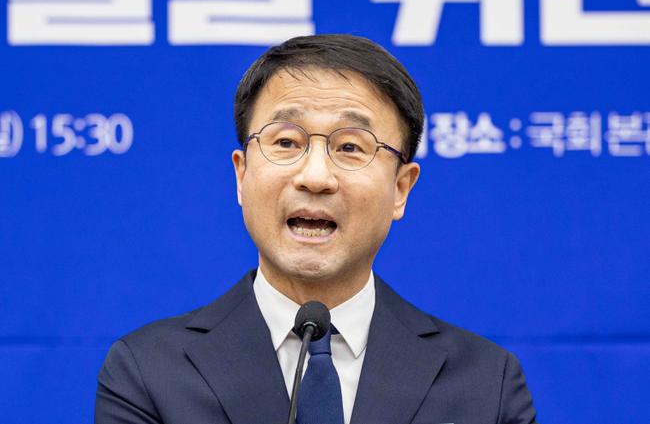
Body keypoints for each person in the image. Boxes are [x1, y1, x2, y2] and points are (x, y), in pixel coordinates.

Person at [95, 34, 538, 424]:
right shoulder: (148, 372)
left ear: (401, 189)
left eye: (351, 147)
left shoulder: (486, 383)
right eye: (287, 142)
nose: (316, 177)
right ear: (241, 175)